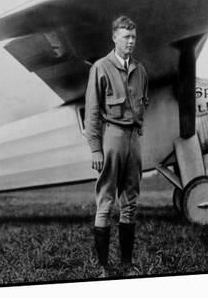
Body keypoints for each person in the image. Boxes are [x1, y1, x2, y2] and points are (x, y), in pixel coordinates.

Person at [84, 15, 149, 278]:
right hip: (111, 137)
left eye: (133, 37)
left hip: (133, 138)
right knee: (106, 202)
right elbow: (92, 111)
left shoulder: (140, 70)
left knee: (130, 201)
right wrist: (95, 148)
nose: (131, 42)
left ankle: (126, 264)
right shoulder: (101, 67)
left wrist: (139, 131)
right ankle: (102, 268)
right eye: (126, 37)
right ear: (114, 38)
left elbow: (144, 102)